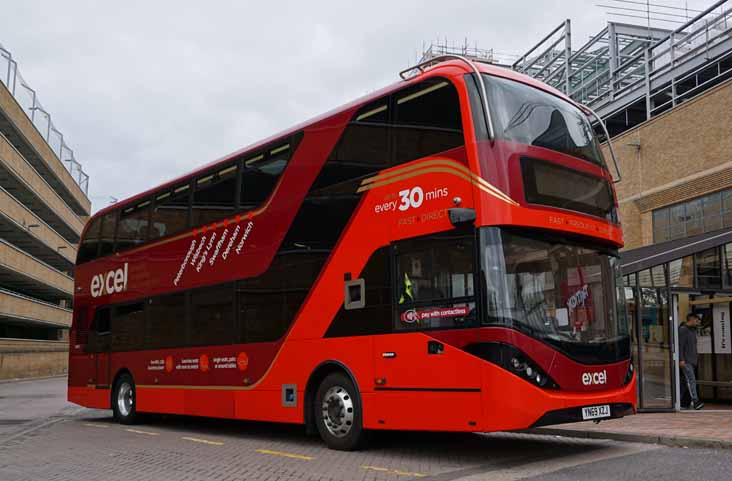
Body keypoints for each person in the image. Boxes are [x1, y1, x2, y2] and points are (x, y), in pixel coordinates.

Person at [679, 313, 704, 410]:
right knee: (691, 380)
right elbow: (680, 345)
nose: (698, 322)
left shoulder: (693, 330)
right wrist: (681, 359)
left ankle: (682, 402)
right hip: (686, 361)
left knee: (685, 382)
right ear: (691, 319)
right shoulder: (683, 330)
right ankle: (696, 401)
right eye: (697, 320)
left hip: (693, 361)